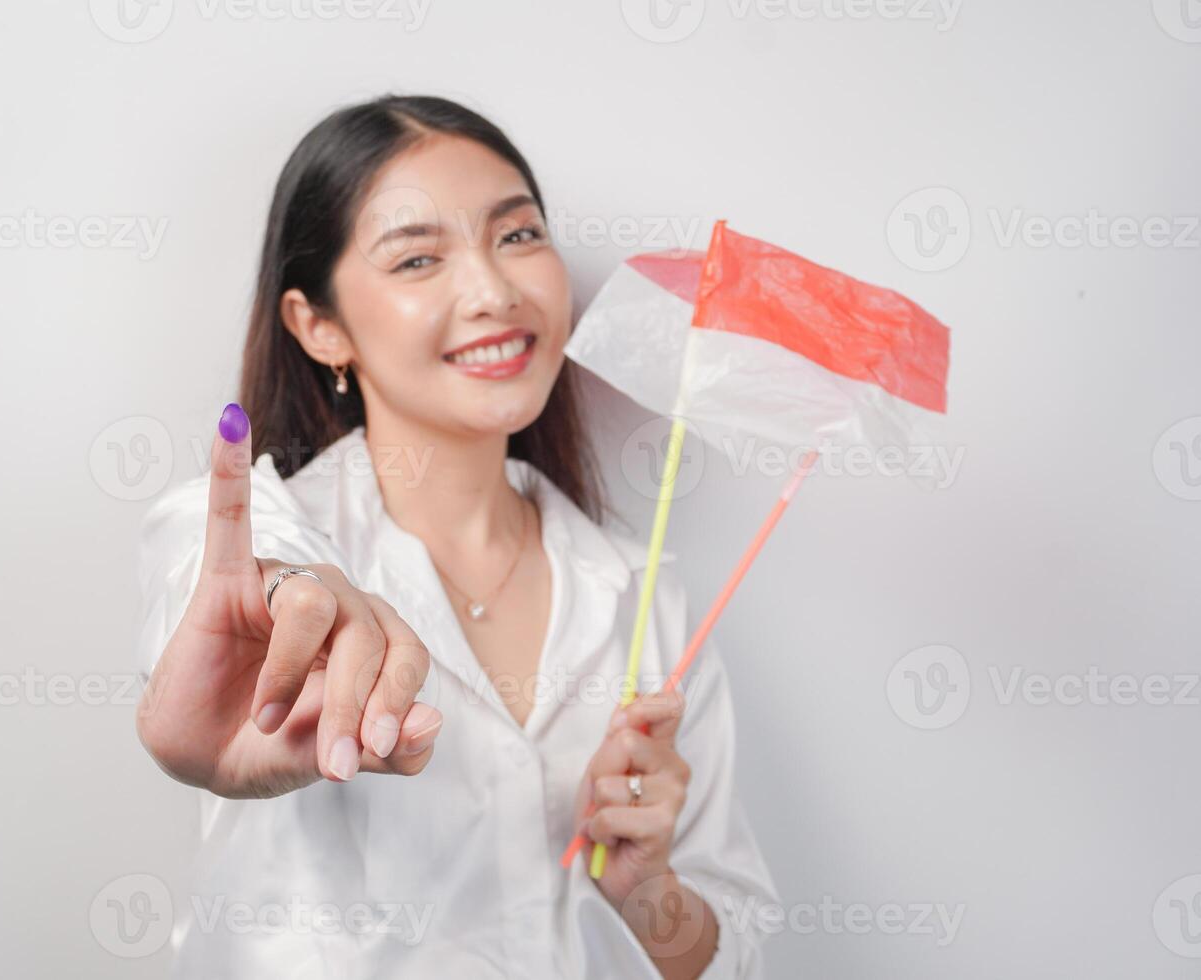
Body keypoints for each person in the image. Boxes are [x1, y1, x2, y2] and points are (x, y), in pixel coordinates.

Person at [135, 93, 776, 978]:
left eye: (517, 236)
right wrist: (291, 597)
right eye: (419, 258)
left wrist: (648, 887)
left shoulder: (643, 594)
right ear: (319, 327)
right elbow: (220, 596)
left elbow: (729, 956)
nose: (494, 292)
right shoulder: (253, 539)